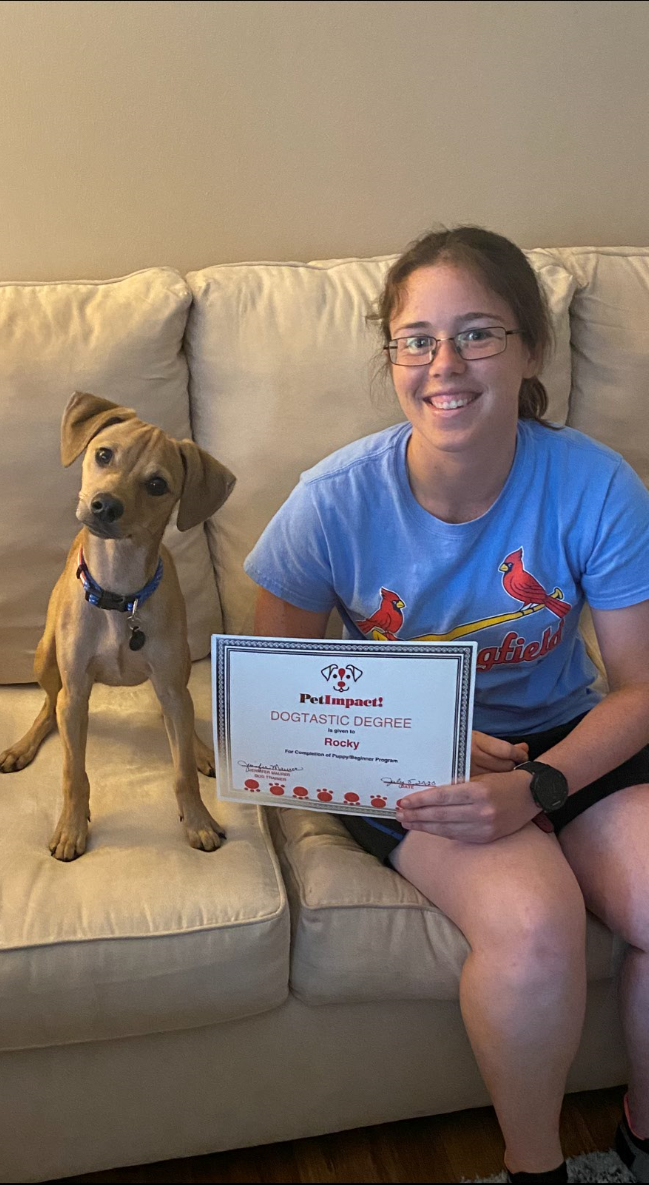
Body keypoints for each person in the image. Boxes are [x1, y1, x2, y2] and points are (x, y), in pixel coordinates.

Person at [244, 226, 649, 1184]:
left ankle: (640, 1142)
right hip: (391, 743)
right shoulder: (332, 500)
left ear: (531, 350)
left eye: (476, 333)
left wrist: (541, 783)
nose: (444, 364)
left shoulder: (595, 483)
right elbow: (267, 700)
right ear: (391, 358)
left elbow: (639, 689)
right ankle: (533, 1171)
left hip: (561, 733)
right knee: (536, 922)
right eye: (416, 339)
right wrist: (424, 740)